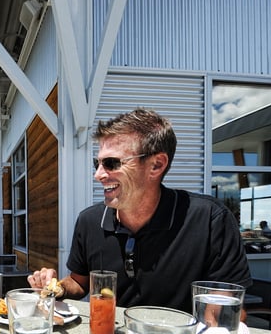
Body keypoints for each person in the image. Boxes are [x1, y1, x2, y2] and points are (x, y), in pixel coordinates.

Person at [28, 108, 251, 314]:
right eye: (96, 164)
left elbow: (226, 309)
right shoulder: (89, 221)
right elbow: (80, 281)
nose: (98, 174)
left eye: (111, 163)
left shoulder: (211, 220)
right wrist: (56, 288)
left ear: (156, 165)